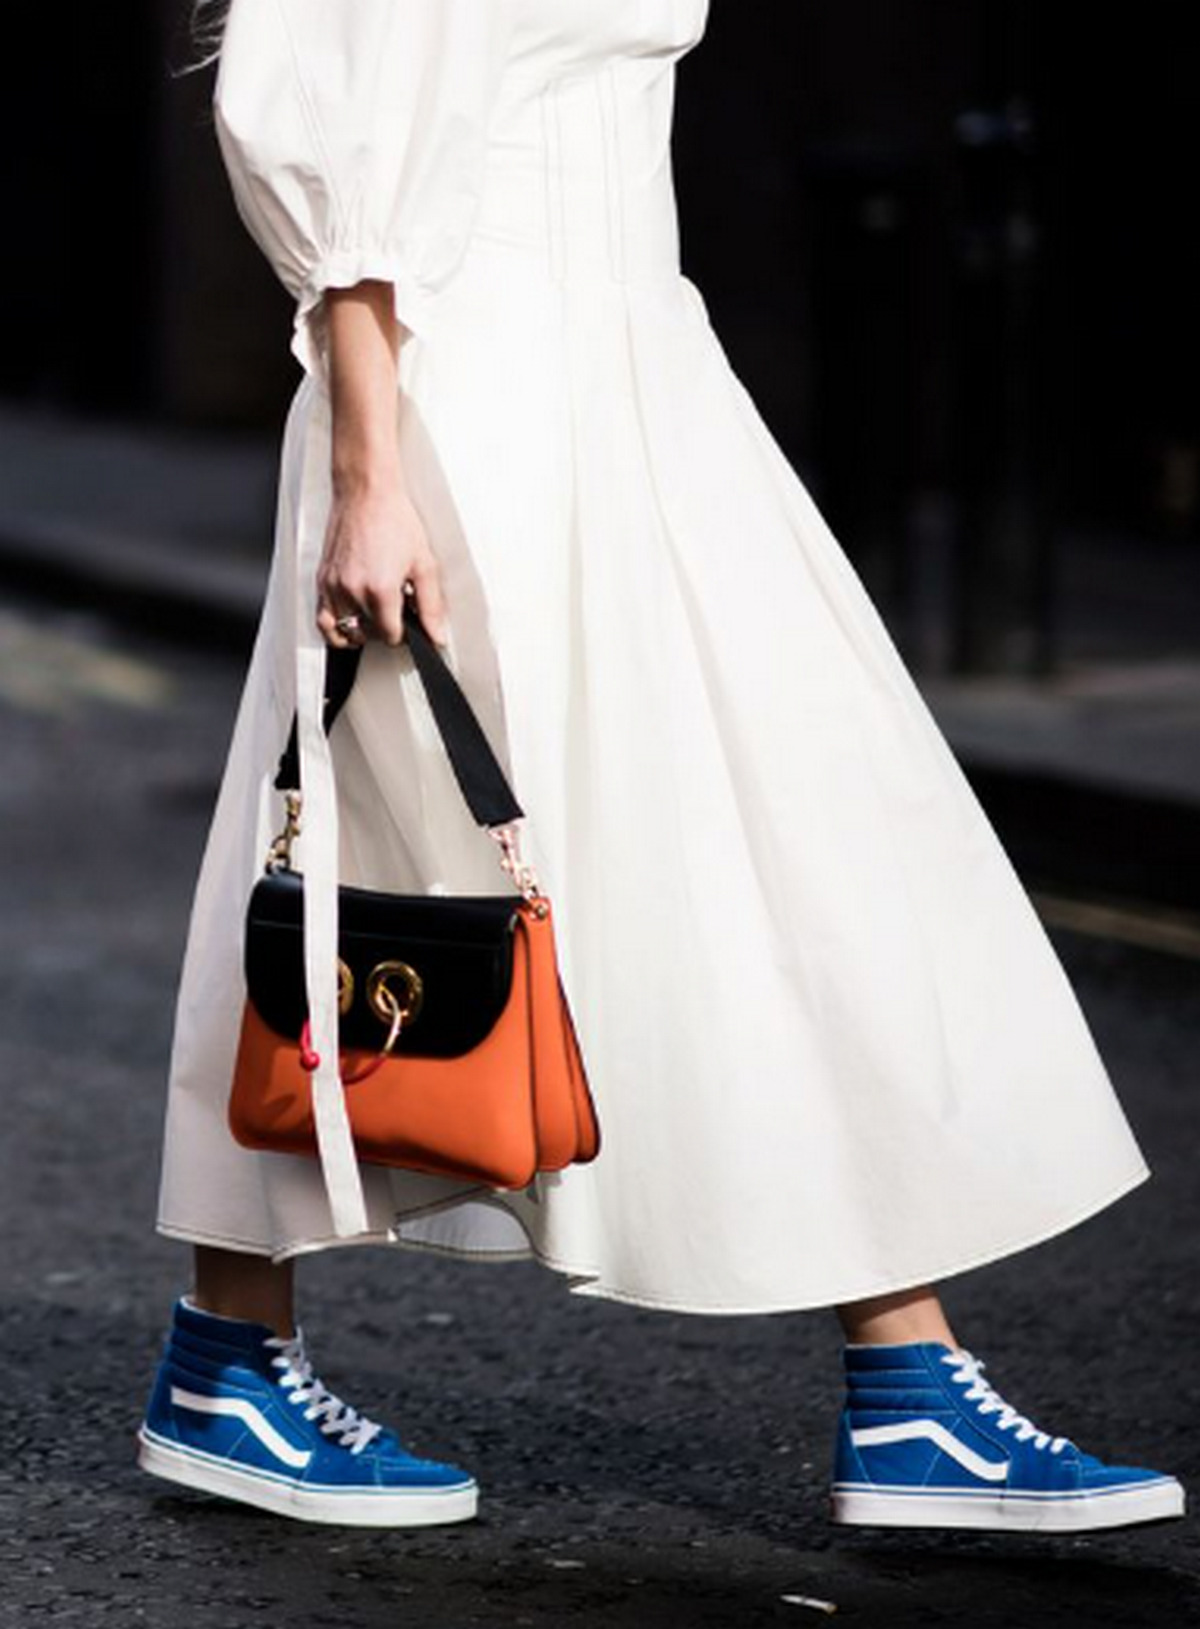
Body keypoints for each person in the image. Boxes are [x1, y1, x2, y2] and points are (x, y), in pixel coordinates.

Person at [138, 0, 1185, 1534]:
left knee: (805, 831)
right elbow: (329, 135)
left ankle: (905, 1379)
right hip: (474, 411)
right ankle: (228, 1353)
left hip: (644, 383)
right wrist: (372, 474)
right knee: (360, 875)